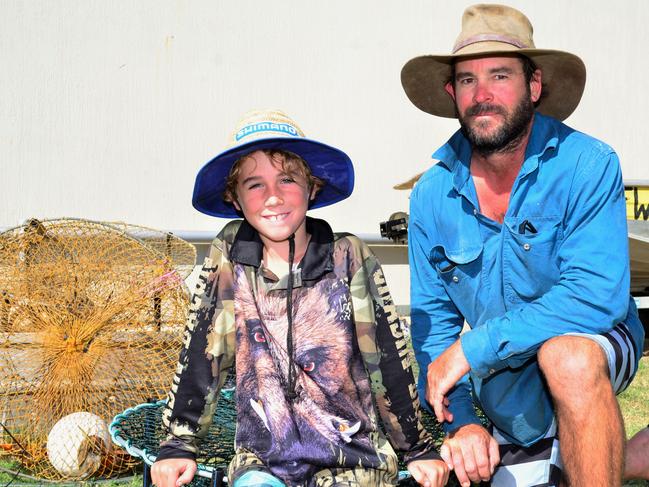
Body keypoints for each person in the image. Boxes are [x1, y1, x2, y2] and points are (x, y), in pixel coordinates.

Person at [400, 4, 645, 487]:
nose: (482, 94)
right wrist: (466, 421)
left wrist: (475, 345)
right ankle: (627, 456)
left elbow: (596, 296)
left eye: (499, 76)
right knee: (543, 474)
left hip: (595, 338)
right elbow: (432, 331)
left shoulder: (587, 164)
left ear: (534, 86)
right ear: (452, 93)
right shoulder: (431, 195)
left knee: (567, 358)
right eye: (467, 80)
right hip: (504, 379)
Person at [150, 109, 449, 487]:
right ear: (235, 198)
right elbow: (202, 349)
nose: (273, 197)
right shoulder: (229, 256)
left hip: (353, 460)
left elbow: (386, 357)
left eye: (287, 180)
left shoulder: (347, 256)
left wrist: (416, 448)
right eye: (255, 184)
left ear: (313, 188)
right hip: (262, 461)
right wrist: (179, 442)